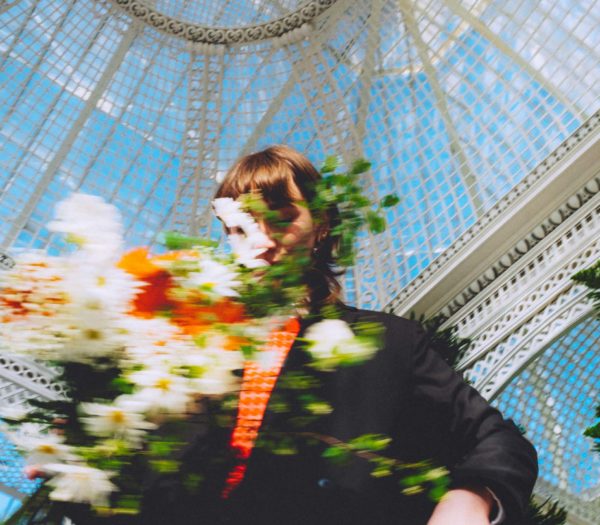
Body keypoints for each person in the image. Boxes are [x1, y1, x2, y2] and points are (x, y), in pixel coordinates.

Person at [139, 145, 537, 525]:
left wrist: (469, 498)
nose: (262, 242)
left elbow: (497, 439)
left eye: (282, 218)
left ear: (321, 226)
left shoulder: (389, 342)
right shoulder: (199, 354)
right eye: (241, 228)